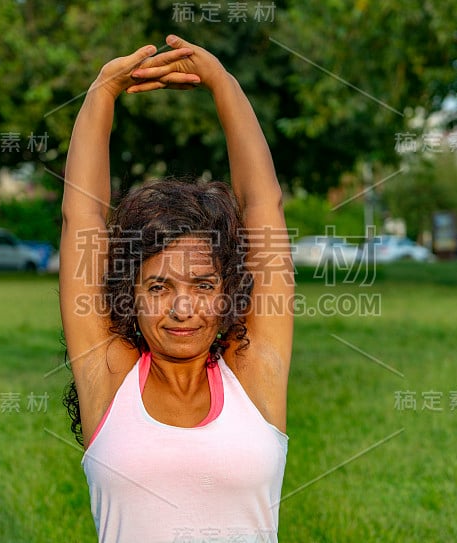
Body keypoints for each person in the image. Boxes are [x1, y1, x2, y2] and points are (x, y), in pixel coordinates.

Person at [59, 35, 294, 542]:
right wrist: (102, 91)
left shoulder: (255, 376)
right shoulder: (110, 377)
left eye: (203, 284)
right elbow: (83, 217)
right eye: (160, 286)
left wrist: (223, 84)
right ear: (130, 296)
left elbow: (262, 208)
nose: (183, 308)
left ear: (228, 291)